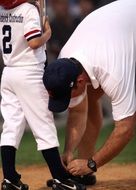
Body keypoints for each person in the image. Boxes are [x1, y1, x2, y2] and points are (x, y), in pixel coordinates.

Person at [43, 0, 136, 180]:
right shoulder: (66, 61)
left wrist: (92, 164)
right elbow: (78, 111)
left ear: (79, 81)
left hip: (126, 30)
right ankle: (84, 166)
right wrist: (69, 151)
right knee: (90, 97)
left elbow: (126, 129)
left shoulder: (111, 72)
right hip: (118, 29)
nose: (68, 102)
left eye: (67, 96)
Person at [0, 1, 86, 190]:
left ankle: (9, 179)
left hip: (8, 73)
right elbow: (34, 42)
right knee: (44, 126)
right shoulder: (29, 10)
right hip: (29, 72)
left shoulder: (3, 10)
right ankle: (60, 177)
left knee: (11, 127)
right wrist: (47, 33)